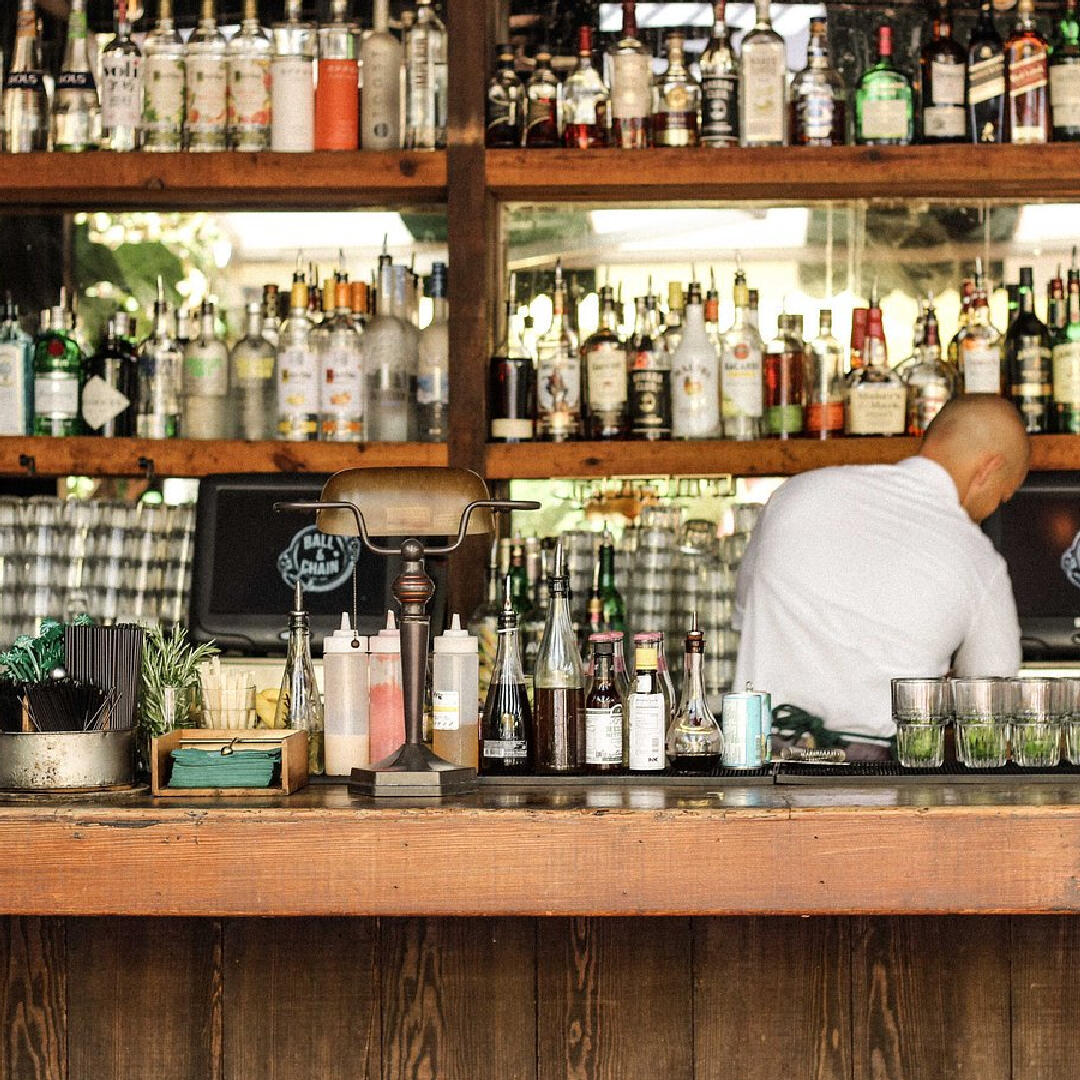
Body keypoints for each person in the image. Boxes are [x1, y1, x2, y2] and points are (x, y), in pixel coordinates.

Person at [733, 395, 1030, 759]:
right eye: (1001, 497)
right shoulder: (979, 560)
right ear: (987, 469)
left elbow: (745, 614)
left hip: (758, 770)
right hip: (878, 786)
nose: (991, 510)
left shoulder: (795, 494)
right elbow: (989, 705)